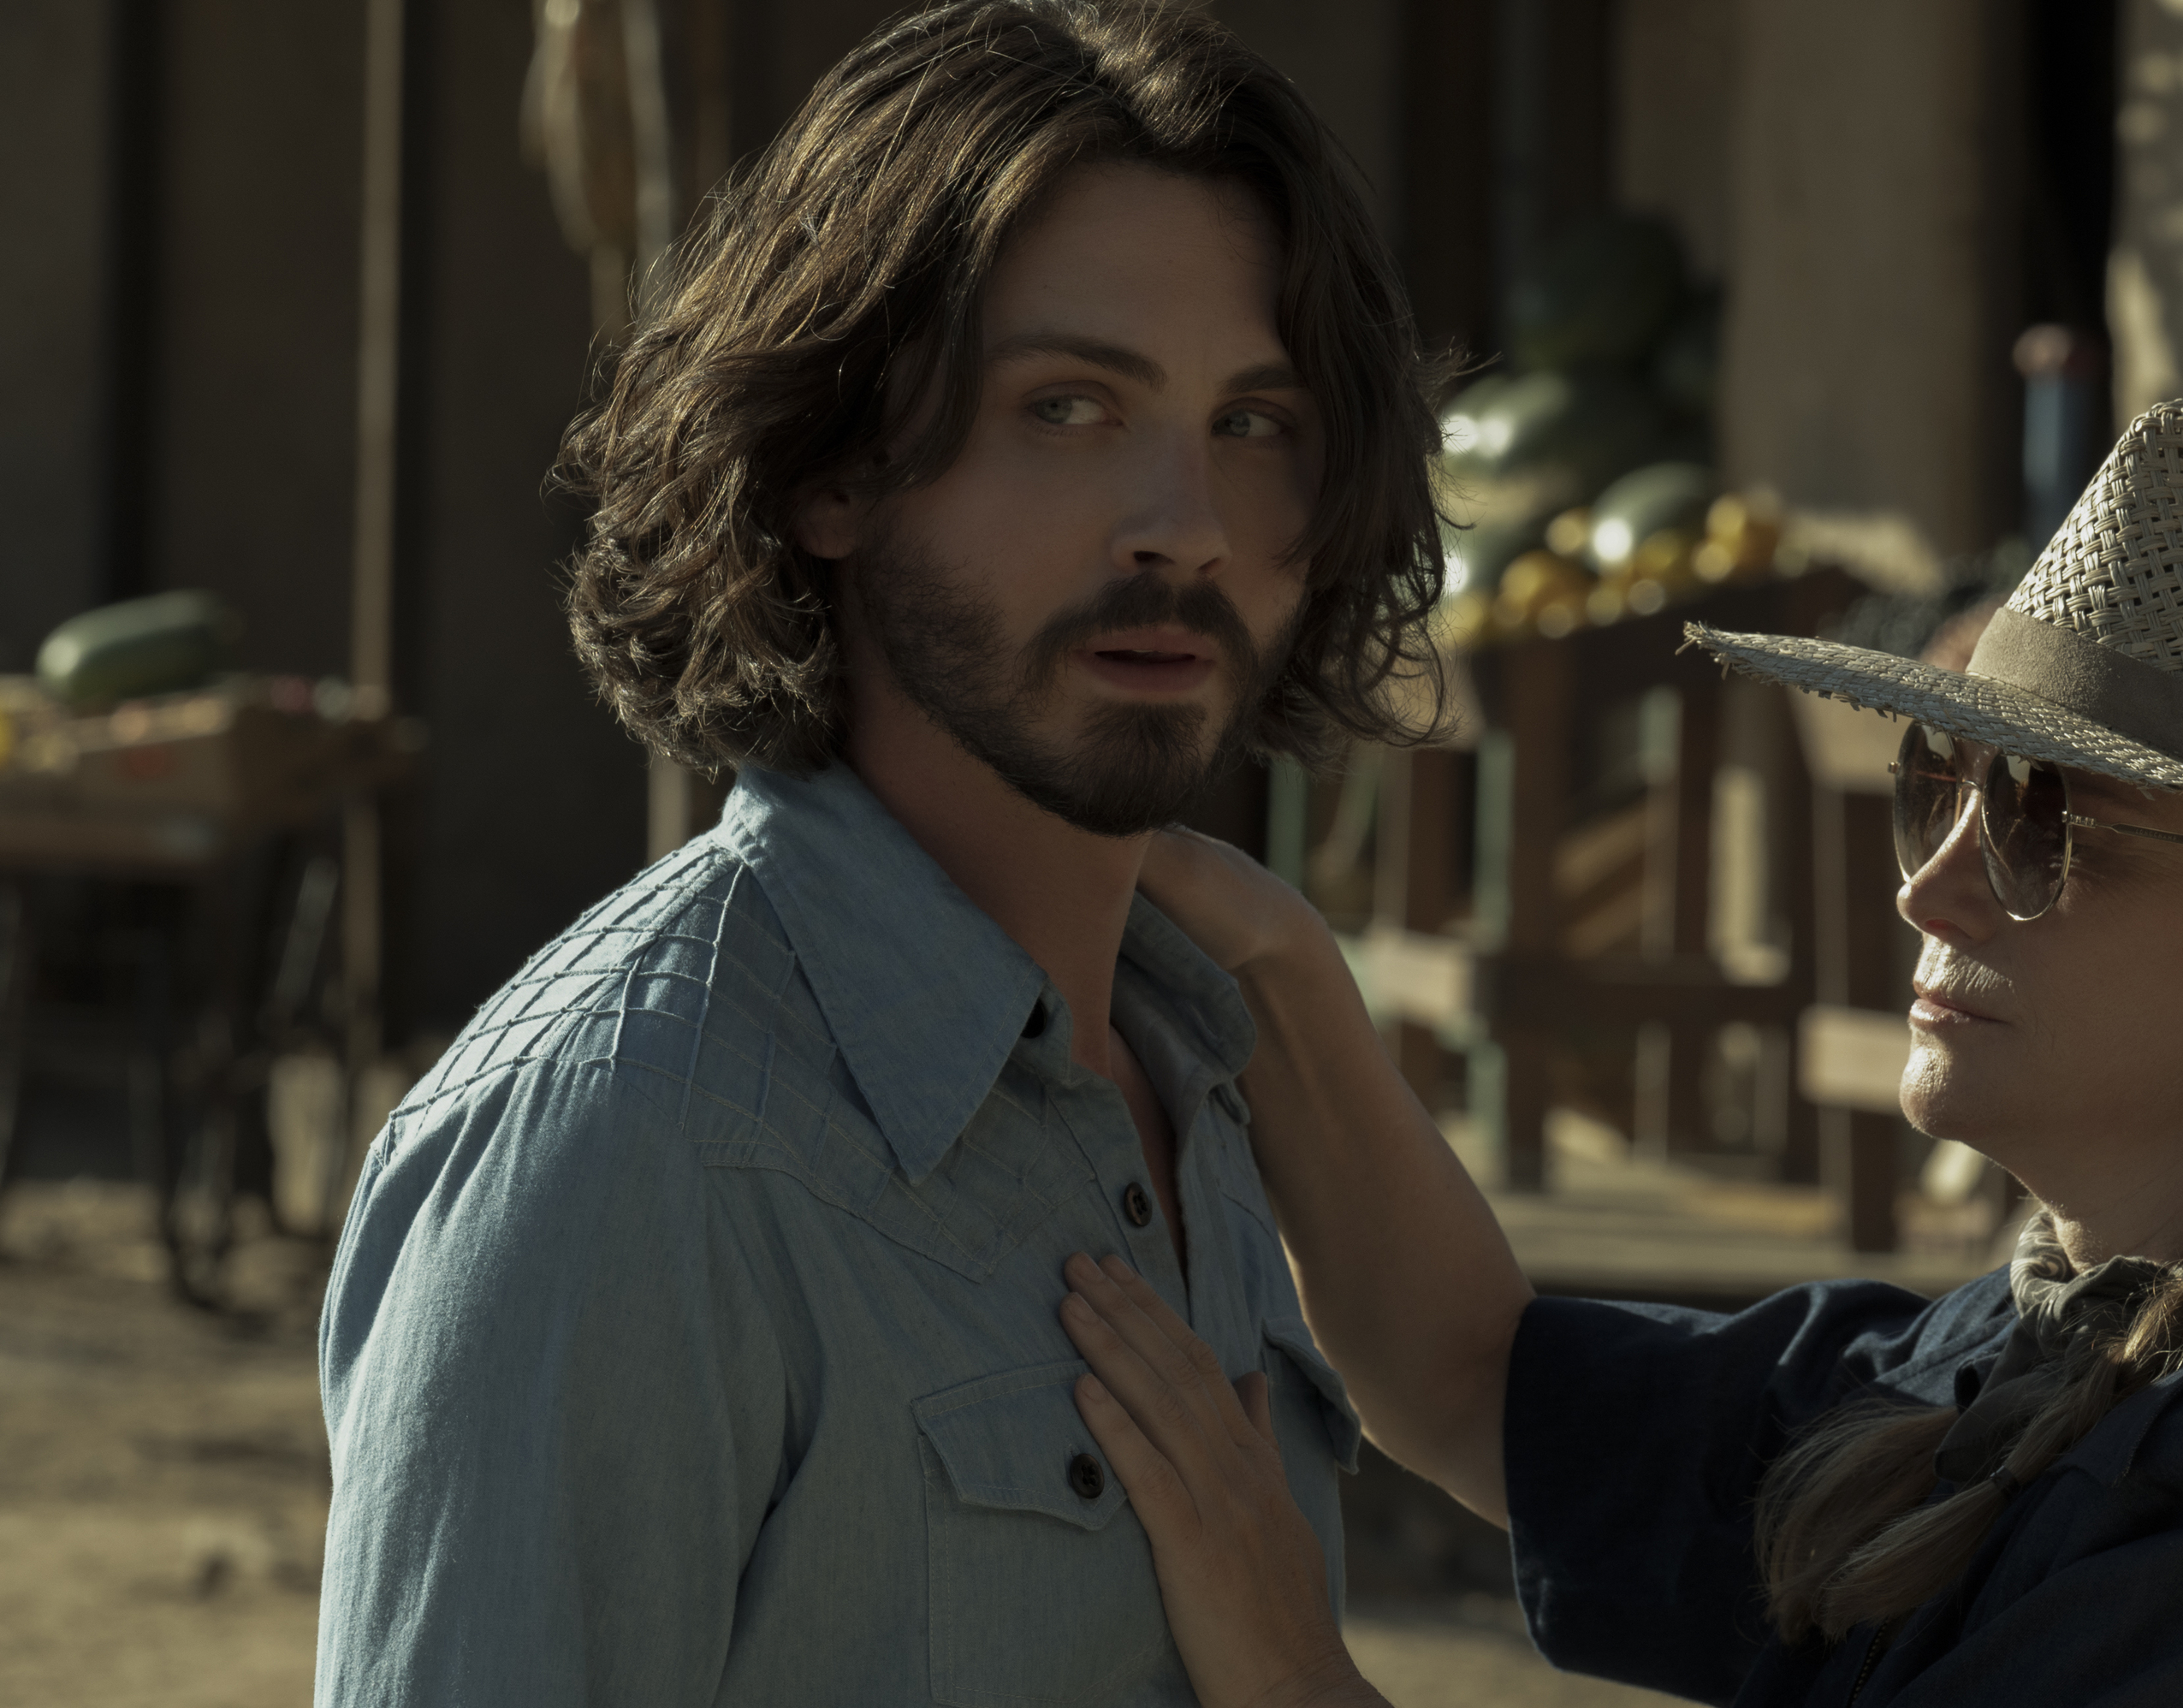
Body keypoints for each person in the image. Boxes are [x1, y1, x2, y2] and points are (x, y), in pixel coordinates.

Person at [1056, 399, 2183, 1706]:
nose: (1928, 890)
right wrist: (1270, 961)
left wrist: (1285, 1666)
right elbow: (1473, 1381)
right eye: (1939, 790)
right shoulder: (2024, 1356)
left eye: (2050, 826)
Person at [312, 3, 1449, 1700]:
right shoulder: (626, 1148)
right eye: (1070, 407)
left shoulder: (1193, 1068)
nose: (1186, 526)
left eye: (1254, 423)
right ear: (835, 469)